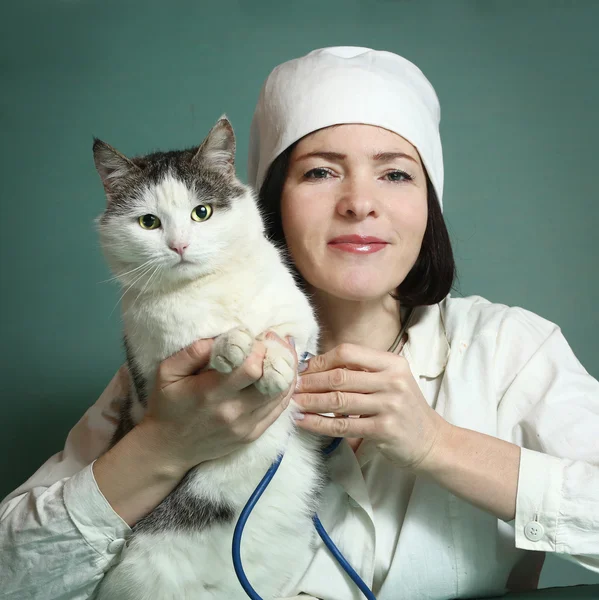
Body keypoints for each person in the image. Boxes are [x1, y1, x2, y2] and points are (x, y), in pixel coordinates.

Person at [1, 46, 598, 600]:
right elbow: (12, 571)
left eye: (394, 174)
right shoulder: (175, 375)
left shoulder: (509, 351)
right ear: (266, 200)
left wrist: (437, 444)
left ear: (428, 206)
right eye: (319, 172)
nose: (359, 202)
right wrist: (165, 443)